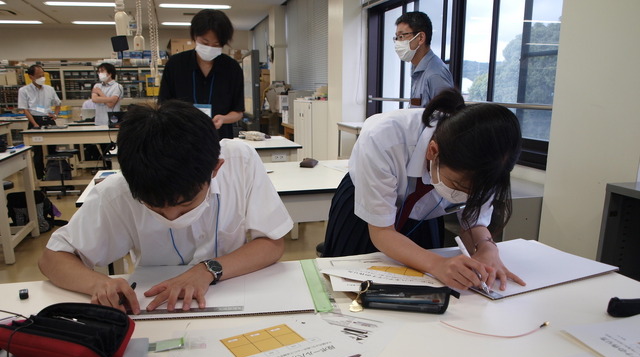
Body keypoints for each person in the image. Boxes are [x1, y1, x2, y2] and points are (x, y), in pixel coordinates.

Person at [39, 100, 293, 314]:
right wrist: (98, 283)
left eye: (185, 205)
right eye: (155, 209)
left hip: (236, 292)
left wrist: (208, 269)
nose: (172, 216)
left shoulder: (241, 161)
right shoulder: (119, 191)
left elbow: (272, 243)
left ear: (215, 169)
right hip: (156, 305)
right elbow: (52, 259)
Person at [322, 89, 526, 292]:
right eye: (459, 186)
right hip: (365, 211)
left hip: (425, 216)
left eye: (476, 192)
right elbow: (381, 232)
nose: (467, 196)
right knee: (353, 287)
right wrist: (437, 264)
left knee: (420, 293)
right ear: (433, 151)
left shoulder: (491, 163)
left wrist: (487, 248)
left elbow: (474, 222)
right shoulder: (384, 137)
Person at [159, 9, 243, 139]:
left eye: (216, 44)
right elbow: (163, 105)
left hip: (219, 140)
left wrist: (223, 119)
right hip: (181, 139)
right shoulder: (175, 64)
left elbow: (238, 112)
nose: (210, 47)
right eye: (205, 42)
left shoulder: (232, 68)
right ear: (194, 36)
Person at [394, 11, 454, 107]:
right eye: (396, 38)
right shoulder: (418, 68)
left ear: (421, 38)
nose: (398, 43)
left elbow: (446, 118)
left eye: (401, 36)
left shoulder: (435, 74)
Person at [17, 64, 62, 179]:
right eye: (38, 76)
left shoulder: (49, 89)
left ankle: (53, 174)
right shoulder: (24, 91)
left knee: (53, 149)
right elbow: (25, 109)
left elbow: (58, 103)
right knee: (37, 152)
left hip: (48, 119)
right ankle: (40, 177)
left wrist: (55, 115)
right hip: (35, 120)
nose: (42, 78)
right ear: (31, 77)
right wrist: (35, 124)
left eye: (43, 75)